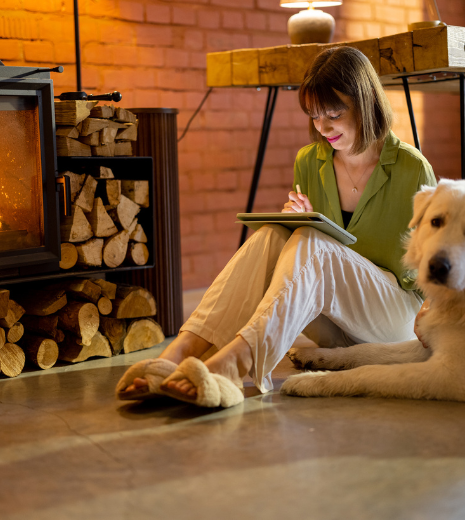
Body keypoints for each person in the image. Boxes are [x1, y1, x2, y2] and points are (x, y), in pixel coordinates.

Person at [116, 46, 437, 408]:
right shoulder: (309, 160)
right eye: (315, 116)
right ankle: (180, 351)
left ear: (366, 104)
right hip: (334, 326)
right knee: (274, 234)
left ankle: (238, 361)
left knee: (311, 238)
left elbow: (439, 252)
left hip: (394, 319)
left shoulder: (412, 168)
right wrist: (303, 220)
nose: (323, 127)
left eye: (334, 113)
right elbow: (320, 254)